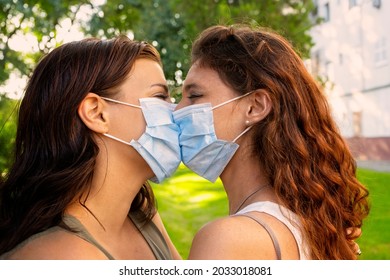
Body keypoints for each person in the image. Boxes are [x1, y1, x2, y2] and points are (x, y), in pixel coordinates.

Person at [173, 24, 369, 259]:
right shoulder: (309, 219)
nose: (177, 110)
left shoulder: (228, 240)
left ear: (255, 107)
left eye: (194, 96)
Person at [0, 36, 182, 260]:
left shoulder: (141, 216)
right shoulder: (60, 260)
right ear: (96, 113)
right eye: (160, 97)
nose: (176, 110)